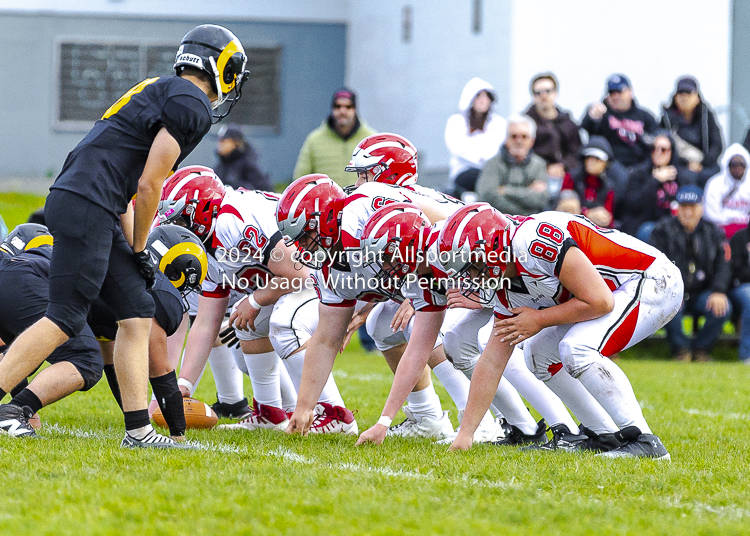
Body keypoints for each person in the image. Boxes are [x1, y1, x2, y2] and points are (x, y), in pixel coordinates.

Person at [0, 24, 249, 449]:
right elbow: (151, 184)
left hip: (90, 199)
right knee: (65, 316)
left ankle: (138, 431)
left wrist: (135, 246)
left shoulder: (161, 89)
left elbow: (124, 178)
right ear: (221, 67)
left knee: (135, 309)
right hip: (89, 202)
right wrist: (139, 246)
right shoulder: (191, 104)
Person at [439, 203, 682, 458]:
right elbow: (491, 361)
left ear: (495, 249)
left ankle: (644, 441)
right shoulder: (504, 279)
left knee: (577, 347)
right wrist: (466, 433)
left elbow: (600, 301)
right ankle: (603, 435)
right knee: (537, 355)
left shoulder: (534, 241)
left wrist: (540, 319)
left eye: (475, 267)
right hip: (612, 292)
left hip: (650, 280)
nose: (473, 278)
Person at [0, 225, 102, 437]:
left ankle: (15, 411)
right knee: (87, 359)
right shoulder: (40, 265)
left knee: (12, 346)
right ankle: (12, 412)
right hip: (24, 282)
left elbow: (13, 354)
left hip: (15, 284)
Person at [651, 186, 731, 362]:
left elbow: (724, 265)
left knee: (723, 307)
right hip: (673, 290)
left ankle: (701, 350)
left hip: (703, 291)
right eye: (683, 207)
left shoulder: (714, 233)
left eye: (692, 207)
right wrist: (670, 291)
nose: (687, 212)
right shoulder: (662, 231)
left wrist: (719, 291)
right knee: (668, 304)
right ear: (677, 208)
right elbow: (655, 266)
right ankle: (681, 351)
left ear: (701, 208)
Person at [618, 131, 697, 241]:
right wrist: (654, 180)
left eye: (663, 150)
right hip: (646, 224)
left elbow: (691, 203)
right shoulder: (639, 173)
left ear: (671, 152)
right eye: (654, 148)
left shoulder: (683, 176)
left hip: (676, 225)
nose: (657, 152)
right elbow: (632, 204)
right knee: (649, 231)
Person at [293, 87, 377, 188]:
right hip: (326, 202)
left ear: (355, 109)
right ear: (332, 109)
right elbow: (300, 179)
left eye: (348, 106)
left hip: (362, 201)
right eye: (337, 106)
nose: (342, 111)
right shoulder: (314, 140)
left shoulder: (371, 139)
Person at [581, 74, 657, 172]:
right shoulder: (602, 114)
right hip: (611, 165)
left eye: (619, 91)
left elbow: (657, 138)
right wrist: (592, 118)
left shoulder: (645, 116)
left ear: (630, 92)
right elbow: (586, 132)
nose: (616, 96)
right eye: (612, 92)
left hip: (640, 164)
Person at [444, 77, 507, 197]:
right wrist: (481, 158)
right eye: (479, 96)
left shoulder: (499, 123)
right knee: (484, 179)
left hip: (492, 171)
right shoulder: (456, 121)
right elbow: (458, 148)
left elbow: (497, 149)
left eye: (486, 96)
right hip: (464, 171)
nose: (483, 100)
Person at [476, 115, 549, 215]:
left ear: (532, 141)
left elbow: (541, 199)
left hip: (529, 224)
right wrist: (524, 209)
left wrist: (505, 190)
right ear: (506, 139)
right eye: (514, 136)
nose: (519, 141)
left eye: (524, 136)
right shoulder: (492, 164)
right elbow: (487, 196)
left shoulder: (539, 165)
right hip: (499, 221)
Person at [661, 76, 723, 187]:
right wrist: (687, 163)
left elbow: (717, 144)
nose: (684, 97)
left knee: (717, 176)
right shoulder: (667, 119)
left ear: (697, 97)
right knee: (685, 176)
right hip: (679, 165)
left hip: (705, 163)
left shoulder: (706, 116)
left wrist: (702, 163)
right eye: (680, 93)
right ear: (675, 97)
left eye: (688, 93)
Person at [524, 73, 582, 178]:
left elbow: (577, 151)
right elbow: (523, 153)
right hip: (535, 175)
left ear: (555, 93)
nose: (544, 96)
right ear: (533, 96)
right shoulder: (525, 123)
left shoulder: (567, 122)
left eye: (548, 91)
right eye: (538, 93)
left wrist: (562, 166)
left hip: (567, 174)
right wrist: (546, 167)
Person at [561, 136, 618, 228]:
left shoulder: (608, 187)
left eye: (597, 159)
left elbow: (609, 218)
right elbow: (564, 205)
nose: (592, 162)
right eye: (589, 158)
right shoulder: (572, 177)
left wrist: (603, 218)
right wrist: (587, 213)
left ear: (605, 163)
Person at [703, 144, 750, 238]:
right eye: (733, 164)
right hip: (720, 232)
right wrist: (733, 221)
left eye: (742, 164)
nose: (738, 168)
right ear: (726, 165)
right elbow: (711, 215)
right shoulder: (714, 184)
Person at [214, 125, 272, 191]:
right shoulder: (220, 166)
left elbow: (265, 190)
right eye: (219, 141)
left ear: (235, 143)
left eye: (223, 141)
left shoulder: (248, 165)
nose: (219, 144)